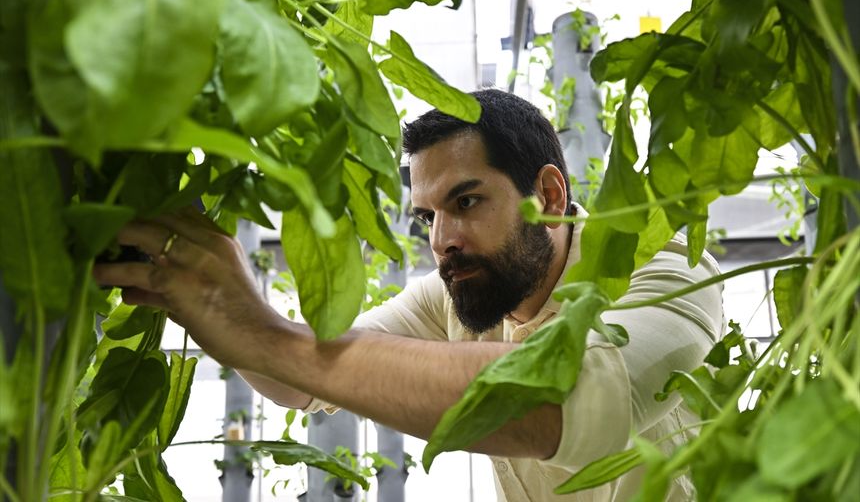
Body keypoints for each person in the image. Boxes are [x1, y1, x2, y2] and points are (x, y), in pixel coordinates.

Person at [94, 89, 724, 501]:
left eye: (467, 201)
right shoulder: (457, 297)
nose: (442, 240)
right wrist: (209, 306)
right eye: (427, 217)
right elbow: (309, 376)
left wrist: (262, 334)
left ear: (550, 197)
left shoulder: (669, 267)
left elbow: (561, 398)